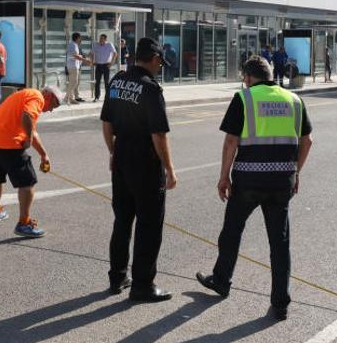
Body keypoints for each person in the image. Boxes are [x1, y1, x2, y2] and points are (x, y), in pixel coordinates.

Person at [196, 56, 313, 321]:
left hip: (248, 180)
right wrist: (295, 171)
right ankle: (280, 303)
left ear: (248, 78)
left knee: (232, 231)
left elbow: (230, 142)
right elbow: (307, 142)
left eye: (243, 80)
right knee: (280, 243)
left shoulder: (244, 99)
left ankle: (222, 280)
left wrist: (223, 177)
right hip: (282, 181)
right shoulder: (294, 100)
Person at [101, 37, 178, 303]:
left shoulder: (117, 80)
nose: (160, 67)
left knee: (122, 219)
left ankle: (117, 276)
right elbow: (158, 134)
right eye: (160, 63)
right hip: (145, 162)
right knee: (149, 224)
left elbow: (106, 123)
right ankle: (143, 284)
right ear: (155, 59)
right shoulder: (150, 89)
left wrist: (113, 152)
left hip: (121, 156)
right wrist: (168, 167)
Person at [0, 85, 65, 237]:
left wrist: (44, 155)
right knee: (28, 183)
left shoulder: (25, 94)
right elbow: (27, 116)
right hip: (8, 142)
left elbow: (31, 128)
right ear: (49, 96)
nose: (52, 110)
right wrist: (28, 139)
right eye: (54, 105)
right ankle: (24, 224)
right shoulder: (37, 97)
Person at [92, 34, 117, 102]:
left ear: (105, 39)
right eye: (100, 38)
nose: (100, 40)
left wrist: (112, 63)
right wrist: (92, 61)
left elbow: (115, 53)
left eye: (102, 38)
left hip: (106, 65)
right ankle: (97, 97)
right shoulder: (96, 45)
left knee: (107, 82)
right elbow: (92, 53)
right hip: (98, 65)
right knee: (97, 82)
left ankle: (108, 97)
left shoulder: (109, 44)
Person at [65, 32, 88, 104]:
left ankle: (69, 98)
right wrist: (85, 60)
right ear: (77, 38)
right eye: (80, 38)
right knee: (74, 82)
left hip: (74, 66)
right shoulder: (73, 45)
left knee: (73, 82)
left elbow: (75, 55)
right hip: (73, 67)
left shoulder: (74, 45)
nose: (81, 39)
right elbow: (75, 55)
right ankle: (67, 97)